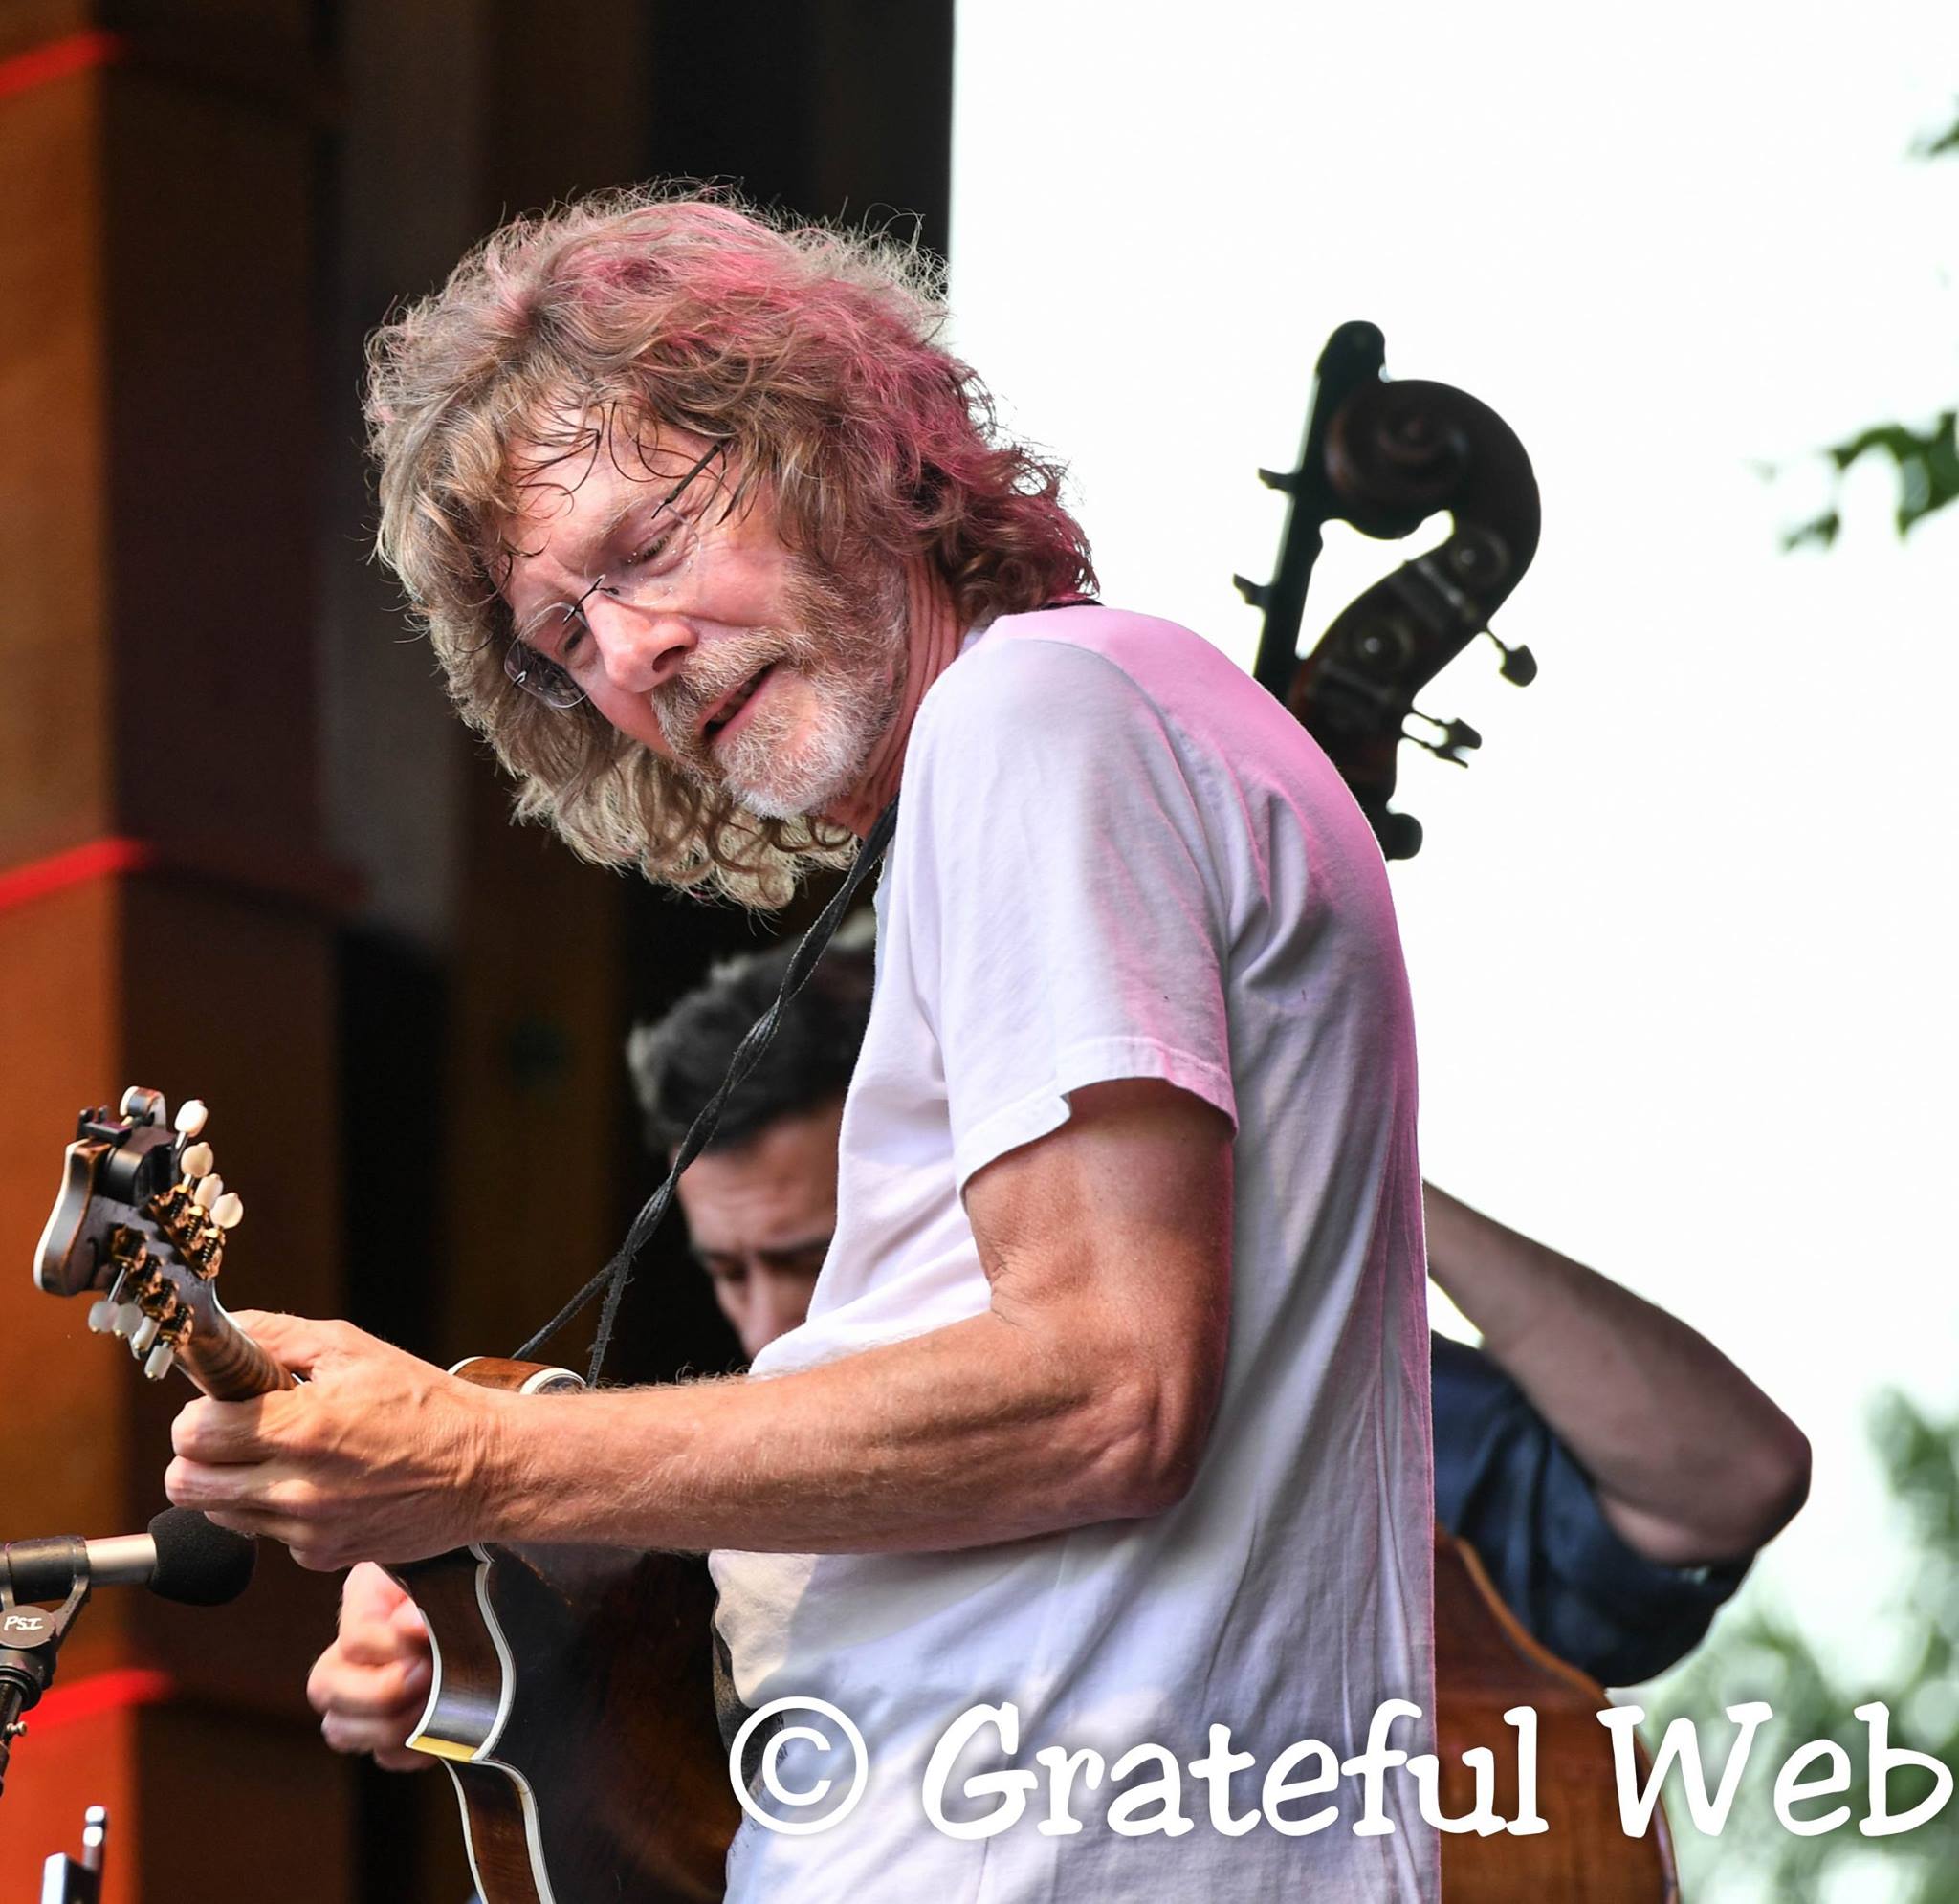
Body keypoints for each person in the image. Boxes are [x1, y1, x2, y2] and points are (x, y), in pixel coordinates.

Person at [168, 190, 1439, 1898]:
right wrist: (518, 1537)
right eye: (565, 643)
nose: (628, 657)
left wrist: (470, 1455)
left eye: (641, 549)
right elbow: (987, 1463)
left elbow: (1104, 1396)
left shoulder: (1032, 709)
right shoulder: (1097, 729)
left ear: (833, 441)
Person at [633, 941, 1810, 1689]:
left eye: (816, 1252)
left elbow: (1731, 1474)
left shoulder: (1272, 1384)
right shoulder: (748, 1507)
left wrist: (1341, 1153)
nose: (772, 1323)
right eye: (730, 1272)